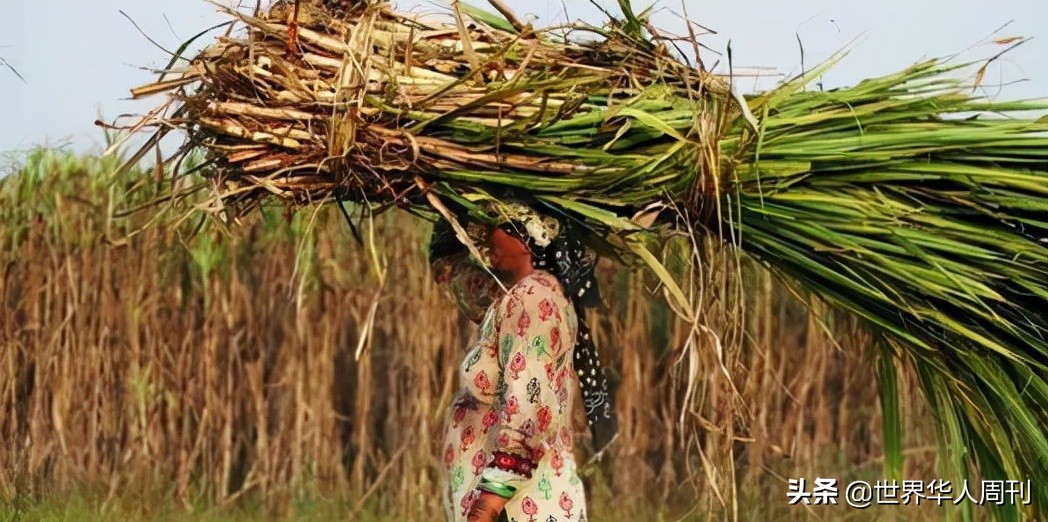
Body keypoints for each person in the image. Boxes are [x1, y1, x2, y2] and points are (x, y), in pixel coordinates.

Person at [429, 206, 618, 522]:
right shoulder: (517, 297)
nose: (489, 240)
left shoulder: (535, 297)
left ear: (527, 238)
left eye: (500, 229)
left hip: (511, 507)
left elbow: (527, 417)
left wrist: (485, 509)